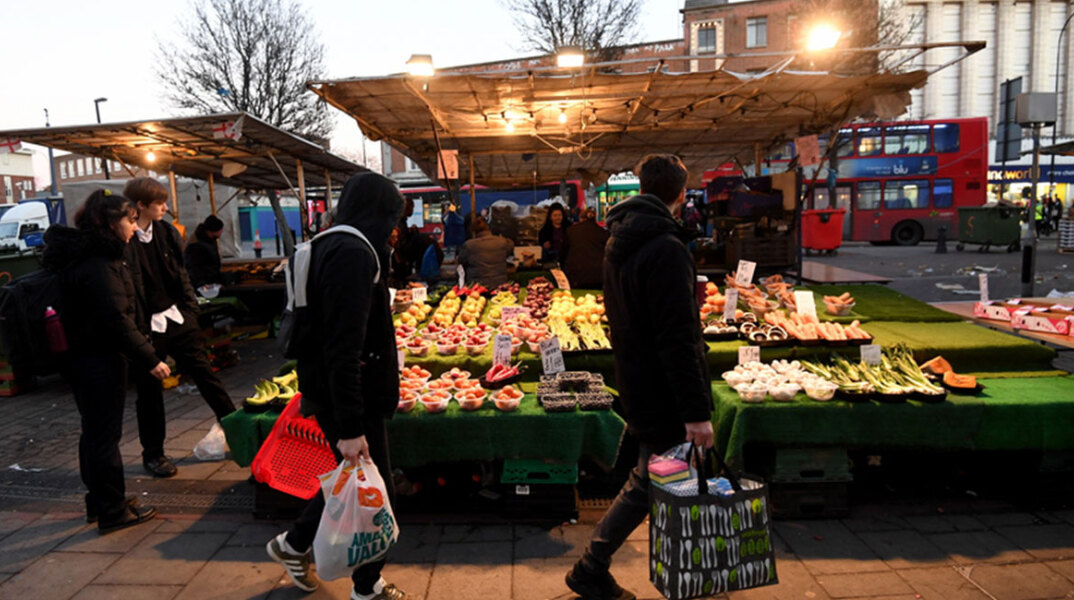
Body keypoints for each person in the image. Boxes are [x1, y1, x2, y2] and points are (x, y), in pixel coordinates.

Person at [565, 155, 714, 600]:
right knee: (661, 480)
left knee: (654, 478)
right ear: (680, 194)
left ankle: (601, 567)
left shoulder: (623, 238)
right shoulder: (666, 247)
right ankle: (660, 573)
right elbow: (677, 337)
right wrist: (695, 411)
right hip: (664, 390)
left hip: (638, 380)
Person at [266, 172, 407, 600]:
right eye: (392, 216)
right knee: (372, 494)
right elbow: (343, 347)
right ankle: (368, 587)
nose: (394, 227)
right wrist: (350, 427)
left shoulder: (328, 242)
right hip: (349, 395)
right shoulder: (353, 254)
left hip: (332, 388)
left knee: (350, 483)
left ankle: (292, 545)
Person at [44, 190, 169, 533]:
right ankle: (112, 510)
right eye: (129, 221)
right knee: (103, 437)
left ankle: (100, 500)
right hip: (98, 360)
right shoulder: (99, 264)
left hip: (85, 359)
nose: (133, 228)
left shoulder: (90, 256)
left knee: (95, 433)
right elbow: (115, 318)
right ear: (112, 223)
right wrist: (150, 358)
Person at [124, 177, 236, 478]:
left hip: (177, 317)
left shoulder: (167, 231)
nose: (165, 207)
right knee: (149, 391)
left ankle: (239, 434)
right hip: (147, 325)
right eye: (159, 203)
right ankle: (154, 454)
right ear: (141, 206)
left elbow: (181, 273)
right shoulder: (125, 238)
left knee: (206, 376)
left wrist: (190, 310)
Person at [457, 217, 514, 288]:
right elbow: (511, 246)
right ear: (488, 228)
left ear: (473, 231)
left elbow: (461, 260)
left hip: (477, 287)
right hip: (500, 286)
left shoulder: (469, 245)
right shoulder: (503, 242)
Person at [560, 208, 609, 289]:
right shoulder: (603, 233)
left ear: (581, 218)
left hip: (576, 276)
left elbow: (563, 254)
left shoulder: (570, 231)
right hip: (598, 277)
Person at [183, 214, 225, 289]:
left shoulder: (210, 240)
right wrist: (201, 284)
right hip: (204, 285)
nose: (222, 232)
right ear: (213, 231)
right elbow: (193, 268)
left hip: (210, 281)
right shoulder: (195, 245)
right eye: (220, 230)